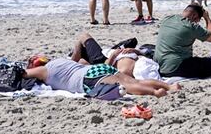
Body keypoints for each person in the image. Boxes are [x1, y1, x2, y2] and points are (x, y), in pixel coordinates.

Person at [24, 32, 177, 97]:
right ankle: (169, 86)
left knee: (127, 86)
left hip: (88, 77)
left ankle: (155, 93)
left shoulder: (44, 72)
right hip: (95, 69)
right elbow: (77, 56)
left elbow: (24, 74)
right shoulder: (62, 61)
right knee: (133, 81)